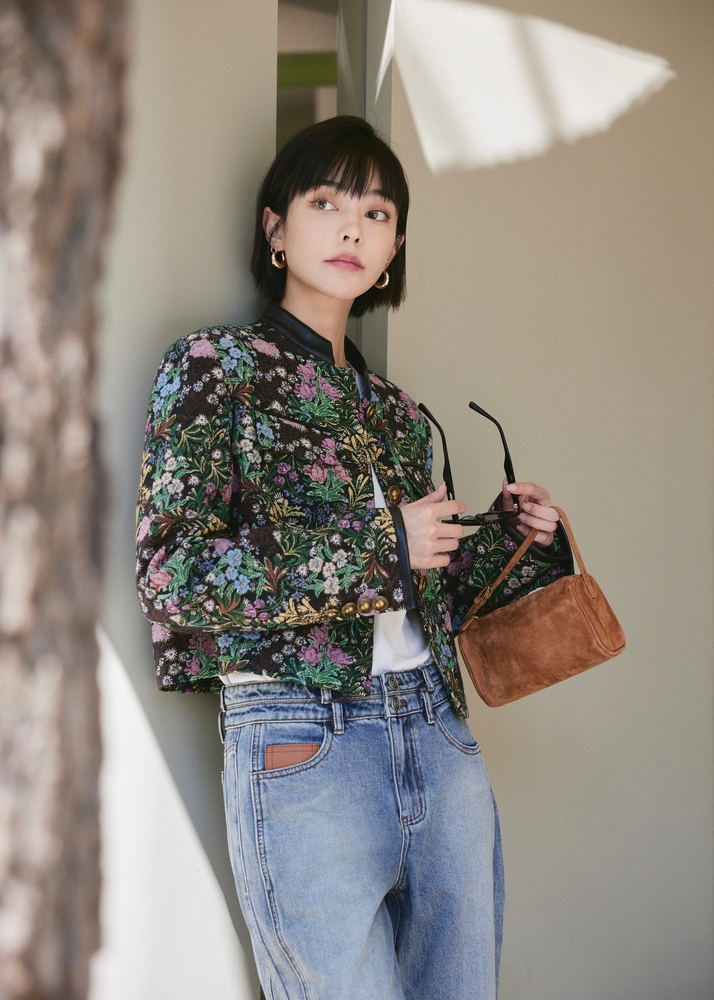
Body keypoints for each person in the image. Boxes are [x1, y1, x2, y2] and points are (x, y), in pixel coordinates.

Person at [136, 116, 572, 1000]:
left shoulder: (404, 416)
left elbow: (437, 601)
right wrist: (383, 547)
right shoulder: (217, 367)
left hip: (439, 736)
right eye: (325, 202)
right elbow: (174, 573)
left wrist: (520, 542)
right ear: (275, 227)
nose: (350, 229)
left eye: (376, 214)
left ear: (395, 244)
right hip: (304, 738)